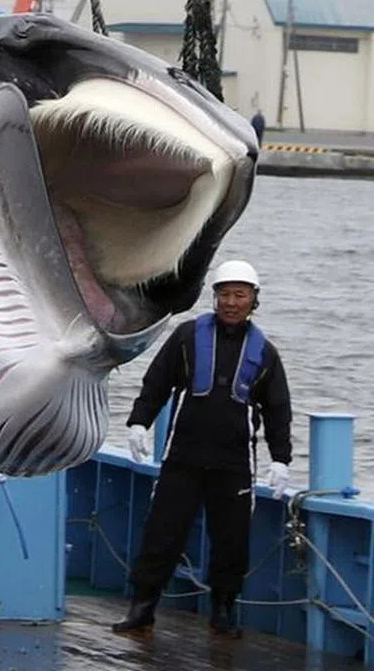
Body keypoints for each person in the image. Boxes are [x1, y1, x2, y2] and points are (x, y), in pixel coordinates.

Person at [112, 259, 292, 638]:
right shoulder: (187, 337)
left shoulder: (265, 352)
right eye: (224, 294)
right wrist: (139, 421)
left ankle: (223, 610)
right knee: (162, 533)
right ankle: (142, 608)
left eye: (240, 295)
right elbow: (156, 381)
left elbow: (278, 410)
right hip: (183, 458)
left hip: (234, 464)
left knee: (232, 541)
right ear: (214, 298)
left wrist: (281, 459)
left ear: (253, 300)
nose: (231, 302)